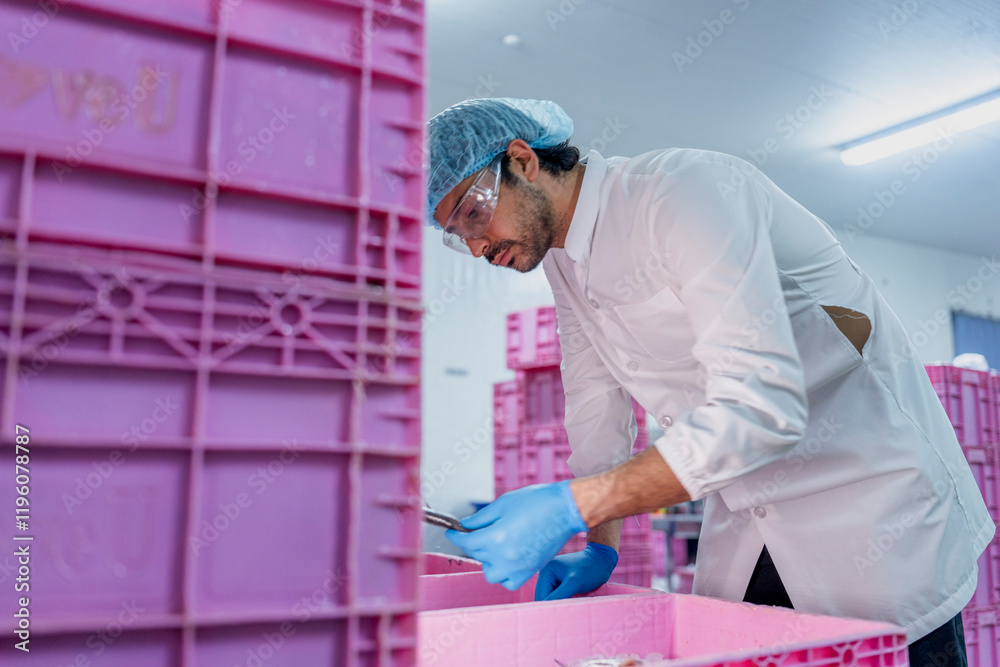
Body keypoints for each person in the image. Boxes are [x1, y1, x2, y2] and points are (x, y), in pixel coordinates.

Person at [427, 97, 994, 666]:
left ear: (523, 160)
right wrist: (599, 544)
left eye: (473, 214)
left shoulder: (683, 193)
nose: (476, 247)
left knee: (889, 650)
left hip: (870, 501)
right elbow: (595, 406)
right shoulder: (563, 261)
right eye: (454, 234)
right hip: (750, 513)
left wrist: (575, 504)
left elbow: (762, 408)